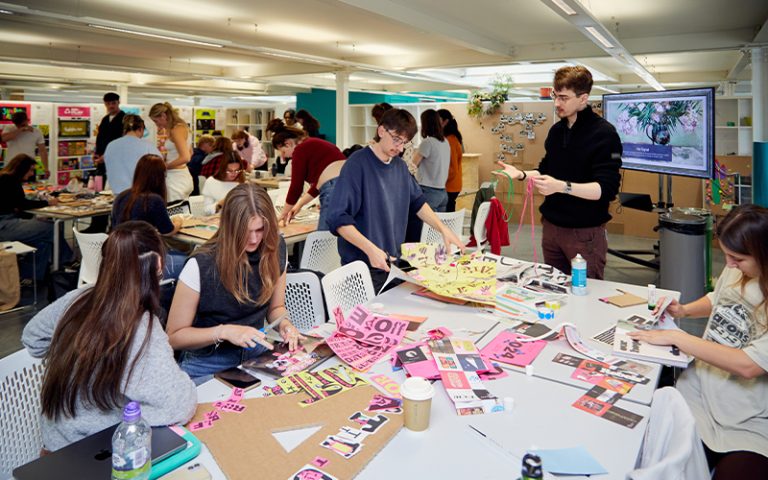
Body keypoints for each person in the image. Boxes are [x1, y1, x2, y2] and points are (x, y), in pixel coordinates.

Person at [22, 221, 196, 452]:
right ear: (158, 264)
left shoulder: (77, 299)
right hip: (98, 454)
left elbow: (33, 338)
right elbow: (179, 406)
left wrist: (80, 357)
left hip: (55, 446)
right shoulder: (140, 326)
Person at [629, 204, 768, 480]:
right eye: (726, 254)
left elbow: (749, 365)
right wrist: (683, 310)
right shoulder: (738, 268)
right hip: (698, 394)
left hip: (748, 417)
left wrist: (677, 338)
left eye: (737, 258)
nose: (729, 264)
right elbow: (718, 299)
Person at [166, 183, 304, 382]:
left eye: (260, 229)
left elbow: (277, 307)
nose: (254, 239)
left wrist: (285, 324)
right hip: (207, 360)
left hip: (255, 351)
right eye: (245, 231)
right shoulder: (201, 265)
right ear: (229, 227)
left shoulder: (275, 248)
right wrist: (224, 331)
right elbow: (173, 337)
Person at [493, 65, 621, 279]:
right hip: (552, 229)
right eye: (555, 95)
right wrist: (522, 175)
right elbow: (546, 170)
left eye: (563, 97)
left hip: (584, 233)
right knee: (554, 289)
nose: (556, 103)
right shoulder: (557, 131)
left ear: (583, 98)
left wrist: (562, 187)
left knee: (585, 293)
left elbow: (606, 189)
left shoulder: (604, 134)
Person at [325, 108, 464, 291]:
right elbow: (337, 218)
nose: (400, 148)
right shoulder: (357, 164)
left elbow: (418, 202)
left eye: (404, 143)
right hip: (362, 266)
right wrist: (370, 249)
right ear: (382, 131)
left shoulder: (399, 166)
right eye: (397, 139)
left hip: (391, 263)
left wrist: (442, 228)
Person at [111, 154, 186, 279]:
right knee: (189, 261)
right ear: (159, 177)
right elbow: (168, 231)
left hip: (120, 259)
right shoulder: (153, 200)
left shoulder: (122, 196)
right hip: (143, 263)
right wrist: (178, 222)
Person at [0, 154, 69, 280]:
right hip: (4, 226)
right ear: (22, 168)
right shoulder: (8, 180)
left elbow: (15, 206)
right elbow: (22, 204)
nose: (32, 173)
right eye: (31, 170)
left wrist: (33, 220)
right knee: (51, 228)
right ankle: (68, 261)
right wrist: (47, 203)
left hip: (7, 222)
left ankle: (31, 277)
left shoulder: (7, 179)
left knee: (43, 240)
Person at [271, 125, 345, 230]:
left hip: (334, 188)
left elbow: (296, 187)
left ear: (288, 144)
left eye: (283, 151)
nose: (284, 156)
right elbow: (318, 186)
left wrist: (283, 214)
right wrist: (298, 206)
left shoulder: (300, 150)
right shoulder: (311, 144)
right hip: (347, 186)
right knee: (338, 233)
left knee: (323, 238)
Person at [104, 114, 161, 196]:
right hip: (141, 196)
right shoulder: (148, 146)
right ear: (141, 128)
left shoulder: (110, 146)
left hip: (117, 196)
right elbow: (160, 169)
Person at [149, 102, 194, 202]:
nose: (157, 125)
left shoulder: (176, 130)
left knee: (173, 211)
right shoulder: (181, 127)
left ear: (164, 116)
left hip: (176, 178)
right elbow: (190, 152)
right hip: (181, 175)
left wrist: (165, 166)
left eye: (156, 121)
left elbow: (186, 157)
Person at [412, 109, 450, 213]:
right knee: (436, 228)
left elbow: (413, 165)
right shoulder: (445, 141)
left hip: (428, 191)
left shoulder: (427, 142)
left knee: (422, 228)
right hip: (442, 192)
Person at [1, 111, 48, 176]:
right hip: (11, 165)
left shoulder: (36, 131)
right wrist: (20, 129)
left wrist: (46, 168)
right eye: (17, 124)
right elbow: (3, 139)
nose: (19, 126)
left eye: (22, 124)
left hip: (29, 166)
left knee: (29, 186)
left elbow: (42, 151)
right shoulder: (9, 128)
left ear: (27, 120)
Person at [93, 92, 126, 180]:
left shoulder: (125, 119)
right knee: (102, 184)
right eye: (108, 104)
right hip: (102, 160)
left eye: (113, 103)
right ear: (105, 104)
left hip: (118, 159)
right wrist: (97, 154)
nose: (111, 106)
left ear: (118, 102)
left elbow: (124, 141)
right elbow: (100, 138)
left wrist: (108, 155)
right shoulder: (105, 120)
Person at [438, 109, 464, 213]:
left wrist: (438, 180)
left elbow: (452, 168)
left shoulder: (450, 140)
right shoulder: (450, 138)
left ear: (445, 122)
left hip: (450, 186)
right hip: (452, 185)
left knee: (447, 216)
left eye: (437, 120)